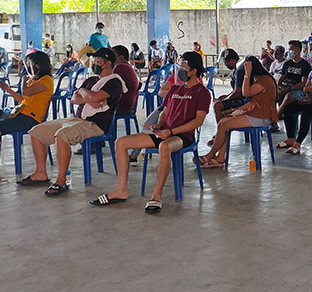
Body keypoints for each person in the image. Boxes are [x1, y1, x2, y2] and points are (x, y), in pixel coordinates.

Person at [91, 52, 210, 212]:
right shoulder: (175, 88)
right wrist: (159, 124)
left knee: (164, 147)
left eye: (183, 67)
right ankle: (121, 190)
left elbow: (198, 121)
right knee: (121, 143)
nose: (179, 70)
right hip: (163, 132)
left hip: (181, 136)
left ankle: (156, 195)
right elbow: (165, 112)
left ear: (194, 71)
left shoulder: (202, 92)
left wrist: (171, 131)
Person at [20, 48, 124, 196]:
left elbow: (94, 97)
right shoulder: (91, 80)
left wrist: (86, 94)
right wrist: (85, 94)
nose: (94, 63)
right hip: (76, 119)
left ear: (107, 63)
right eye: (93, 61)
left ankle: (61, 180)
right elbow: (74, 99)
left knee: (62, 135)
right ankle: (40, 173)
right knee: (36, 131)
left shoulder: (114, 82)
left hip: (94, 124)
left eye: (97, 61)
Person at [0, 51, 54, 180]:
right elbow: (23, 100)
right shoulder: (34, 80)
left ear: (37, 65)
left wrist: (23, 81)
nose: (27, 66)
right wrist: (8, 89)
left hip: (30, 118)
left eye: (29, 64)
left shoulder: (47, 81)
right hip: (18, 113)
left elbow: (26, 91)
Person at [200, 56, 278, 167]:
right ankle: (220, 157)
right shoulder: (260, 79)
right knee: (224, 122)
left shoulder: (264, 80)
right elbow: (252, 102)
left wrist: (247, 74)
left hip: (261, 116)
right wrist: (235, 110)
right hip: (256, 113)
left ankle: (210, 156)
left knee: (223, 125)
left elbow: (245, 93)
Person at [208, 48, 245, 145]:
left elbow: (237, 92)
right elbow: (235, 90)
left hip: (244, 101)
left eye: (226, 62)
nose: (226, 65)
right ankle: (221, 131)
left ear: (232, 61)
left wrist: (226, 99)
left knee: (217, 106)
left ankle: (221, 133)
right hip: (240, 98)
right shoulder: (238, 68)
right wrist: (227, 96)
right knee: (219, 102)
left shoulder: (240, 71)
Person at [275, 40, 311, 120]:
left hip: (297, 90)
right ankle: (272, 116)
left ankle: (275, 120)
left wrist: (289, 89)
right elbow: (281, 77)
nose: (289, 52)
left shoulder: (305, 65)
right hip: (285, 87)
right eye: (289, 49)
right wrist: (277, 87)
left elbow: (303, 83)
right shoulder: (287, 64)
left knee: (289, 96)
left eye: (291, 49)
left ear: (298, 50)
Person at [112, 45, 140, 116]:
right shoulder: (127, 66)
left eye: (112, 55)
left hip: (123, 107)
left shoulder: (120, 67)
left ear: (121, 57)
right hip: (128, 104)